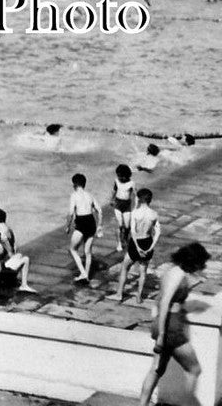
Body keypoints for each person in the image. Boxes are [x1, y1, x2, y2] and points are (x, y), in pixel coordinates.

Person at [138, 242, 210, 406]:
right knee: (194, 369)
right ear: (193, 260)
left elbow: (172, 296)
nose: (202, 267)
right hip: (171, 326)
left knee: (157, 370)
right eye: (200, 263)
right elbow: (164, 302)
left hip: (165, 324)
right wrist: (162, 336)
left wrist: (196, 282)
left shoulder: (175, 271)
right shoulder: (177, 275)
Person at [114, 188, 161, 304]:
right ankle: (139, 296)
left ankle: (119, 294)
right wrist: (150, 247)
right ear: (150, 200)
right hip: (147, 242)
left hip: (136, 243)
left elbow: (133, 232)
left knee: (125, 267)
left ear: (139, 199)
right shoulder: (154, 214)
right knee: (143, 271)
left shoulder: (135, 213)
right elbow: (158, 232)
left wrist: (137, 247)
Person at [66, 172, 102, 283]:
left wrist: (68, 226)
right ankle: (86, 275)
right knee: (87, 251)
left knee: (72, 249)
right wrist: (100, 225)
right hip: (91, 221)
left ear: (75, 184)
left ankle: (83, 273)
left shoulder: (74, 195)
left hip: (81, 222)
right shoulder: (89, 195)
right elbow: (99, 210)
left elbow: (71, 213)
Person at [112, 164, 137, 252]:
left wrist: (136, 206)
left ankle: (125, 238)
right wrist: (112, 200)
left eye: (122, 176)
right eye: (119, 176)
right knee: (120, 225)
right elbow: (114, 191)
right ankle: (119, 242)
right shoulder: (116, 181)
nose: (120, 178)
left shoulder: (131, 183)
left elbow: (135, 195)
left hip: (127, 205)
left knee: (127, 226)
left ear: (127, 175)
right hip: (118, 204)